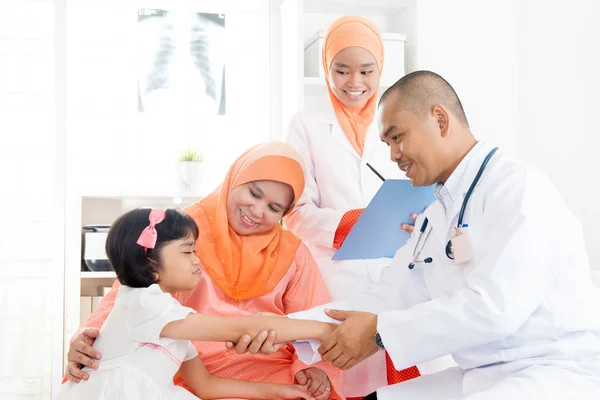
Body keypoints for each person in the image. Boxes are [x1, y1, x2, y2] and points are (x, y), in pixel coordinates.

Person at [248, 71, 600, 399]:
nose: (393, 155)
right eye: (387, 143)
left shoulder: (519, 189)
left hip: (549, 369)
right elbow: (388, 296)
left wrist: (380, 333)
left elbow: (495, 309)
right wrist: (285, 328)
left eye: (397, 137)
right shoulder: (435, 216)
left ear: (440, 120)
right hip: (480, 373)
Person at [64, 142, 343, 400]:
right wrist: (88, 338)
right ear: (235, 178)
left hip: (266, 368)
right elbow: (126, 292)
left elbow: (315, 312)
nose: (257, 210)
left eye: (274, 207)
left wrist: (315, 372)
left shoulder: (293, 252)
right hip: (180, 371)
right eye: (253, 193)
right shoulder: (181, 232)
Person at [283, 15, 420, 398]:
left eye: (366, 71)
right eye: (341, 71)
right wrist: (349, 224)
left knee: (404, 378)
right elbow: (295, 211)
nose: (354, 83)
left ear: (381, 68)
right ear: (325, 68)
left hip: (396, 268)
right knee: (345, 382)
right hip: (334, 276)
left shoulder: (400, 119)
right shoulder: (306, 124)